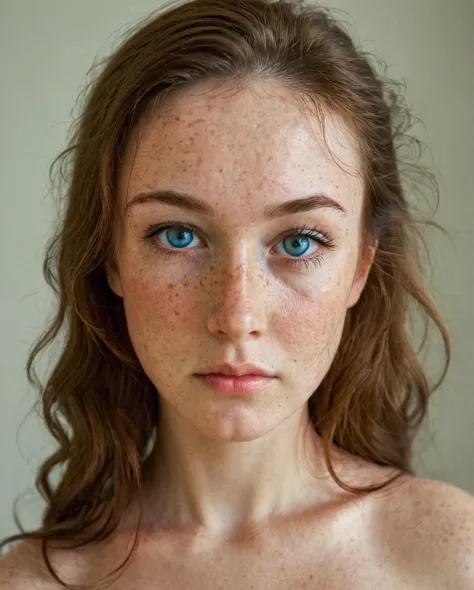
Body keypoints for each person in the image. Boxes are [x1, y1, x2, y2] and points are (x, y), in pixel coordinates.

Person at [1, 0, 473, 587]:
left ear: (359, 267)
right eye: (178, 236)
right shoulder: (38, 583)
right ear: (111, 257)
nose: (236, 315)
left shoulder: (451, 558)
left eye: (299, 242)